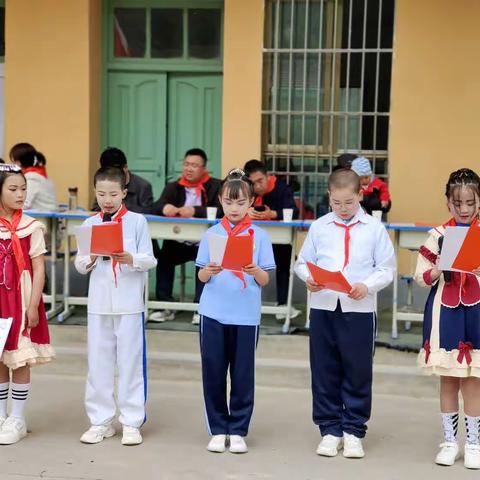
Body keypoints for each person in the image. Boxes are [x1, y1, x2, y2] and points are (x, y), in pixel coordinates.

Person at [294, 168, 395, 459]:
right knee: (324, 368)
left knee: (358, 369)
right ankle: (329, 429)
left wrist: (367, 285)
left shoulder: (374, 228)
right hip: (324, 305)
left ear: (360, 195)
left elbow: (386, 268)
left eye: (348, 203)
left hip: (359, 308)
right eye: (336, 203)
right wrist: (308, 278)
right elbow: (303, 263)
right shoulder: (320, 226)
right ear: (329, 197)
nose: (342, 209)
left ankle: (353, 430)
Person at [75, 167, 157, 446]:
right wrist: (91, 258)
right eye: (101, 194)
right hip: (98, 303)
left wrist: (130, 258)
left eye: (113, 193)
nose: (107, 199)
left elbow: (150, 260)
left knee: (130, 363)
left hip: (130, 303)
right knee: (98, 363)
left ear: (124, 192)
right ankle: (100, 421)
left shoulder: (137, 222)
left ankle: (131, 422)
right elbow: (80, 263)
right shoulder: (89, 224)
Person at [195, 168, 275, 454]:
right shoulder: (211, 234)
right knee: (213, 370)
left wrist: (254, 271)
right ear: (220, 201)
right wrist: (208, 270)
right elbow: (201, 278)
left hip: (245, 314)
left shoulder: (260, 236)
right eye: (229, 202)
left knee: (242, 374)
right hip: (213, 312)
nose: (234, 208)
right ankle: (217, 428)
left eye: (241, 203)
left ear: (251, 202)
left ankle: (238, 429)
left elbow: (266, 279)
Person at [414, 168, 480, 469]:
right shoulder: (437, 236)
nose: (464, 209)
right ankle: (450, 442)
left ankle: (474, 444)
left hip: (477, 313)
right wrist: (438, 268)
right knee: (449, 379)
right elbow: (420, 276)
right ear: (448, 204)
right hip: (445, 313)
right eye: (458, 203)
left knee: (474, 381)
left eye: (470, 202)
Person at [0, 164, 55, 445]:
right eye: (13, 189)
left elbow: (39, 269)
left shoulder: (30, 226)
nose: (20, 194)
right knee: (0, 357)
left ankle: (18, 417)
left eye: (23, 189)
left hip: (20, 298)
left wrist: (33, 305)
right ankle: (0, 415)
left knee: (19, 358)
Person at [150, 148, 222, 324]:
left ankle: (201, 307)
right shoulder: (174, 187)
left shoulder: (216, 186)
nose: (189, 169)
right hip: (179, 242)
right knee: (165, 258)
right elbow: (156, 205)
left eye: (195, 165)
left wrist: (195, 211)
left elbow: (222, 210)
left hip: (204, 243)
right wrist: (164, 208)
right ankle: (165, 305)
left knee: (206, 261)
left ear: (204, 169)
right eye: (187, 164)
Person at [243, 159, 300, 320]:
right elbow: (230, 209)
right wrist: (246, 212)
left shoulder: (282, 188)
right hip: (252, 240)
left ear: (268, 176)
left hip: (278, 240)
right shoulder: (246, 191)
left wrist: (273, 214)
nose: (257, 186)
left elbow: (293, 212)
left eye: (260, 181)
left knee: (284, 258)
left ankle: (282, 304)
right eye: (252, 183)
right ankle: (245, 302)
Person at [96, 147, 153, 214]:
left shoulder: (143, 186)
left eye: (113, 194)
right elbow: (96, 209)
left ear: (125, 167)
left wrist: (119, 206)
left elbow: (148, 213)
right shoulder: (103, 183)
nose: (112, 177)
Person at [9, 144, 57, 212]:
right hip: (44, 218)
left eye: (13, 161)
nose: (12, 164)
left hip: (41, 219)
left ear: (19, 162)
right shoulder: (39, 173)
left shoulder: (32, 178)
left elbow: (24, 204)